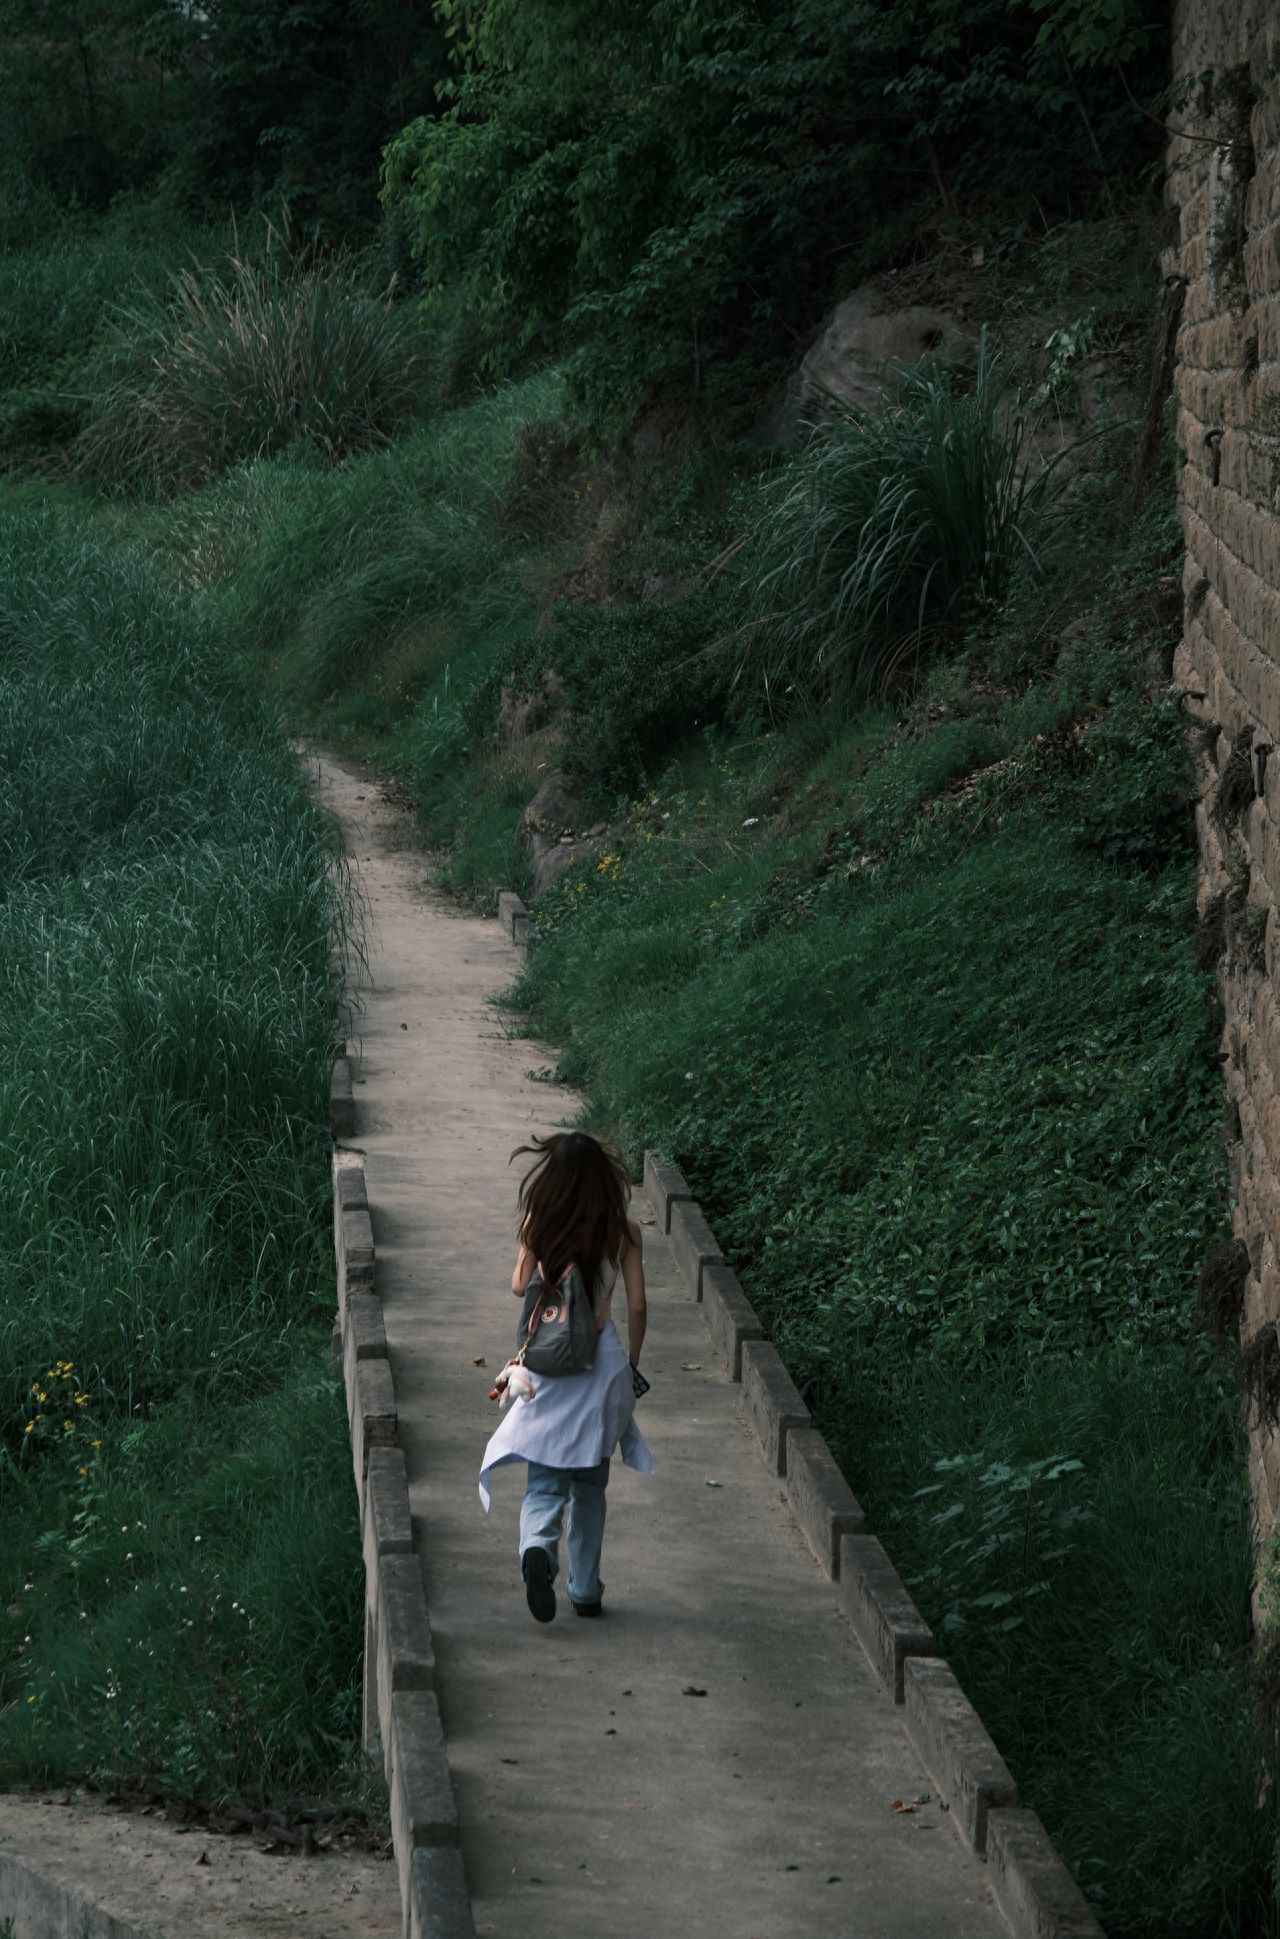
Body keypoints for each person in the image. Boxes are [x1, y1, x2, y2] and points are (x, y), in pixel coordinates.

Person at [479, 1131, 655, 1624]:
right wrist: (630, 1366)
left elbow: (519, 1288)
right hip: (601, 1371)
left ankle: (537, 1547)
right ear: (604, 1179)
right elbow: (638, 1306)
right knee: (590, 1487)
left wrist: (529, 1235)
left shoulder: (544, 1224)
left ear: (550, 1180)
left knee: (545, 1480)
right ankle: (584, 1589)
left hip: (549, 1372)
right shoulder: (623, 1231)